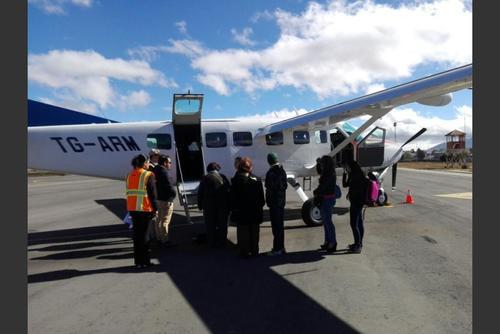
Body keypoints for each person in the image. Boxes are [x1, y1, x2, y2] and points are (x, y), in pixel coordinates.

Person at [126, 154, 158, 268]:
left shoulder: (129, 175)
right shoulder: (148, 174)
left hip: (133, 209)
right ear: (144, 163)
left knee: (137, 236)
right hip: (145, 209)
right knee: (145, 236)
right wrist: (156, 209)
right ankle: (146, 261)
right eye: (148, 162)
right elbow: (152, 194)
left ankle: (138, 262)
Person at [229, 157, 265, 258]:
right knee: (254, 233)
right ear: (250, 167)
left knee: (243, 234)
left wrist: (234, 210)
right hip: (255, 212)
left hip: (241, 213)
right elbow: (262, 199)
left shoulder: (235, 181)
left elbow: (232, 199)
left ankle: (244, 252)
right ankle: (254, 251)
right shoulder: (257, 180)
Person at [197, 162, 231, 247]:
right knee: (223, 224)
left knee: (210, 224)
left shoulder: (205, 178)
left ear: (208, 170)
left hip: (209, 206)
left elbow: (200, 193)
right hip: (222, 204)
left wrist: (200, 205)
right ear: (217, 169)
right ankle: (222, 241)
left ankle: (212, 242)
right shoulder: (223, 177)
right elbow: (229, 190)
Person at [313, 155, 338, 253]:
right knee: (326, 222)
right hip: (325, 199)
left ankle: (332, 242)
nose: (322, 166)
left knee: (328, 222)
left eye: (323, 164)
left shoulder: (330, 173)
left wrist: (317, 191)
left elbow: (324, 185)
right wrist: (318, 163)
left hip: (327, 199)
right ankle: (328, 241)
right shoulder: (327, 172)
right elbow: (320, 172)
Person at [265, 152, 288, 256]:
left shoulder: (271, 172)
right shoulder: (282, 171)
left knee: (276, 226)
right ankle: (281, 247)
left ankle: (277, 248)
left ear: (269, 161)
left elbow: (269, 186)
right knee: (280, 226)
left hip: (274, 203)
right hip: (281, 202)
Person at [342, 160, 368, 253]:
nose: (346, 168)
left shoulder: (354, 175)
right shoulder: (359, 174)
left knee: (354, 224)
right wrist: (346, 174)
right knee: (359, 223)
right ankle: (359, 243)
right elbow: (345, 185)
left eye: (347, 167)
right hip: (359, 202)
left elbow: (345, 185)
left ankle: (358, 245)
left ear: (350, 166)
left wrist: (345, 174)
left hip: (356, 203)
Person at [152, 154, 176, 245]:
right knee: (165, 221)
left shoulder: (155, 169)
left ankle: (159, 238)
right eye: (169, 162)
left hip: (158, 199)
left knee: (158, 220)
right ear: (165, 163)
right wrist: (173, 195)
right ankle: (165, 240)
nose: (170, 164)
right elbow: (170, 186)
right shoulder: (164, 172)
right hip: (166, 199)